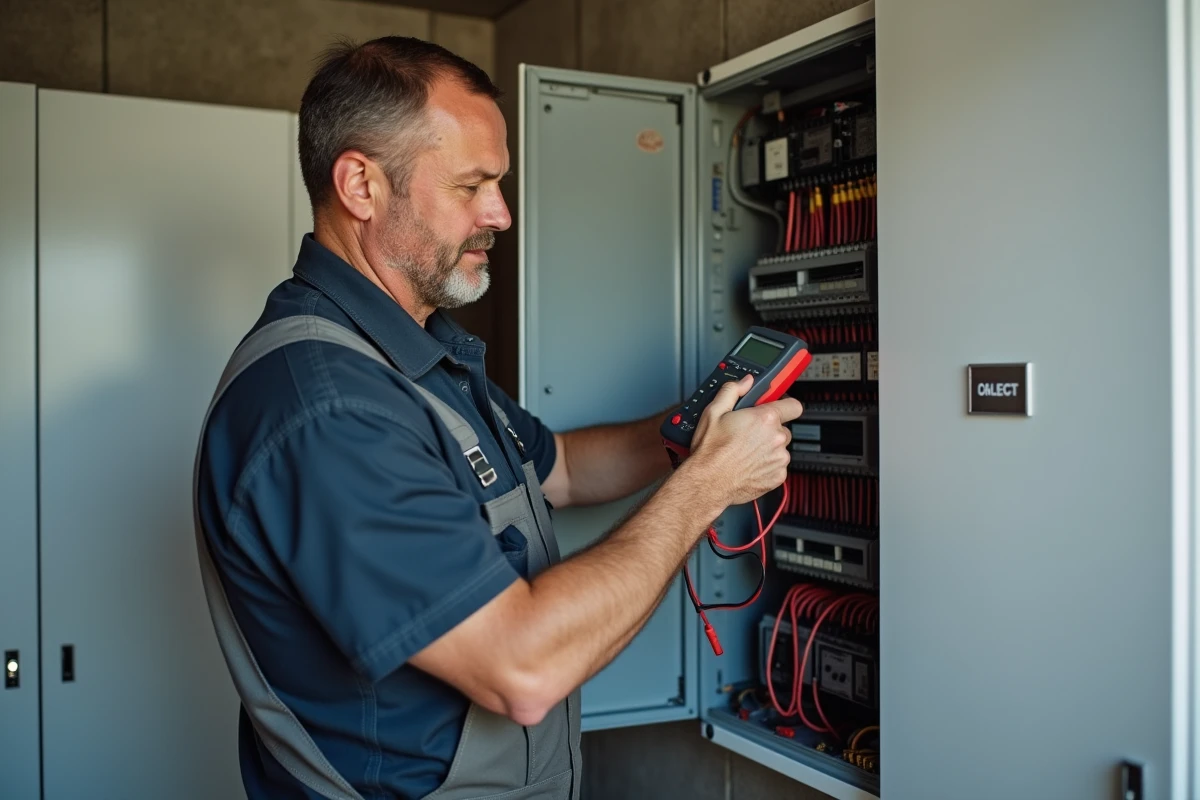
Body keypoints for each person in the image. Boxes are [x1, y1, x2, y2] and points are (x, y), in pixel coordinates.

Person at [193, 35, 803, 800]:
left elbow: (566, 470)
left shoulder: (411, 356)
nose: (501, 214)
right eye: (471, 185)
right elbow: (522, 668)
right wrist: (708, 485)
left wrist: (696, 428)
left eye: (500, 183)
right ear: (361, 185)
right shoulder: (329, 410)